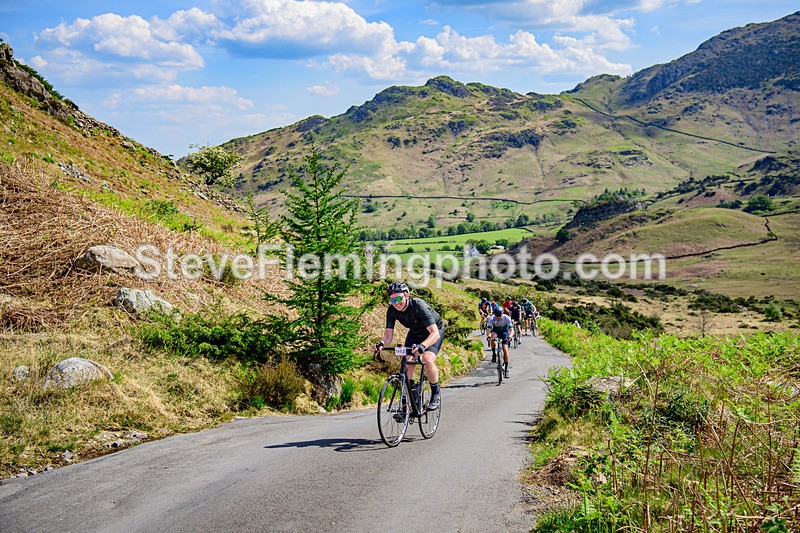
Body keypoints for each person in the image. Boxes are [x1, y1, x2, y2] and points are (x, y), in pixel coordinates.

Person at [374, 281, 444, 410]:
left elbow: (435, 333)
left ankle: (435, 393)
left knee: (428, 360)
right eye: (392, 300)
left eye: (399, 298)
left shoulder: (418, 305)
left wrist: (423, 346)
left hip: (433, 332)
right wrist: (382, 343)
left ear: (407, 296)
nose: (396, 303)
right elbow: (388, 336)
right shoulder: (392, 310)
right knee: (408, 362)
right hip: (415, 333)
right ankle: (408, 398)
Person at [487, 307, 512, 378]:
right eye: (496, 316)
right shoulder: (491, 318)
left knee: (505, 348)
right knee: (492, 337)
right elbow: (489, 329)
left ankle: (506, 369)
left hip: (504, 332)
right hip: (495, 331)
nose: (498, 318)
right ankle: (494, 354)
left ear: (502, 314)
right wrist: (489, 336)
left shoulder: (506, 318)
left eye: (499, 316)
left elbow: (511, 329)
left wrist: (510, 336)